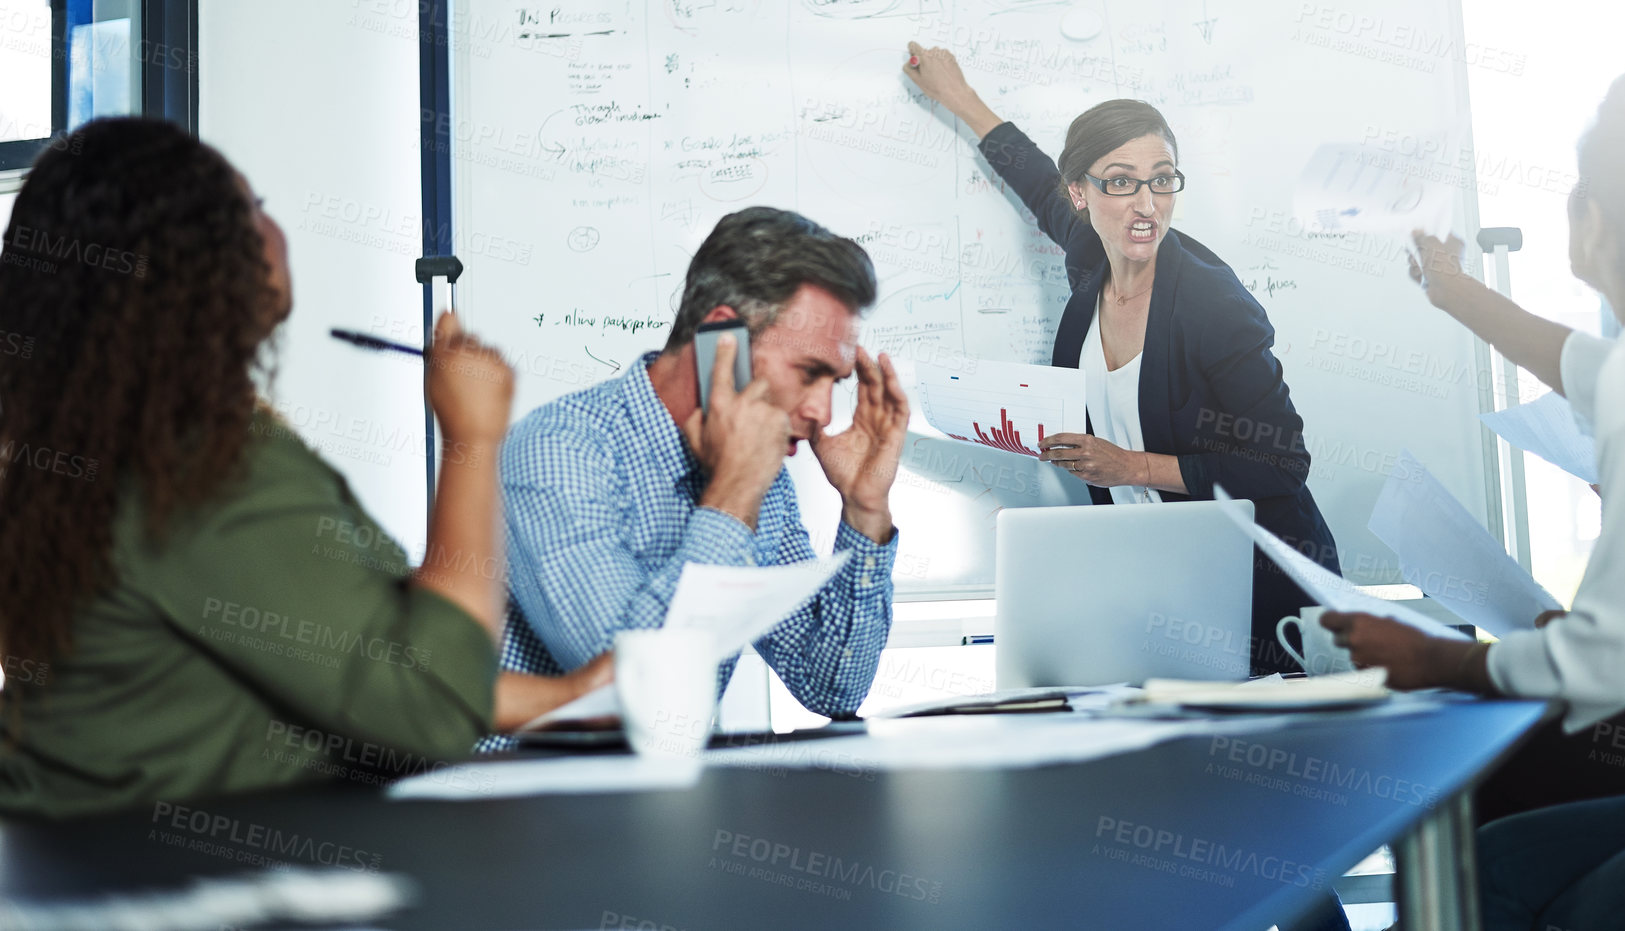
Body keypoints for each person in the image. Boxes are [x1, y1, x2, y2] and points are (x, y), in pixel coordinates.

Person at [0, 118, 610, 819]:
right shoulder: (200, 470)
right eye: (254, 207)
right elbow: (429, 701)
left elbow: (334, 657)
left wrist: (568, 697)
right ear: (196, 257)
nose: (275, 227)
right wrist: (472, 439)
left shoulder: (101, 448)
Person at [1319, 63, 1625, 929]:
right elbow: (1591, 370)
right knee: (1493, 865)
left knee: (1502, 892)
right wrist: (1453, 291)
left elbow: (1612, 662)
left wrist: (1438, 658)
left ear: (1594, 219)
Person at [901, 42, 1339, 677]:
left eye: (1161, 179)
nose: (1145, 203)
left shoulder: (1213, 304)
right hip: (1160, 585)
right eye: (1120, 181)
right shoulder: (1093, 260)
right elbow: (1035, 182)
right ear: (1081, 193)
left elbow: (1281, 462)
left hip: (1266, 593)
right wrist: (959, 98)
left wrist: (1128, 466)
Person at [497, 207, 911, 723]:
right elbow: (632, 698)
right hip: (522, 791)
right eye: (809, 373)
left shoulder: (761, 473)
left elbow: (831, 686)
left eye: (837, 383)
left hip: (660, 792)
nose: (822, 414)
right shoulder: (559, 450)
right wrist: (733, 494)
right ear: (725, 343)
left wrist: (865, 508)